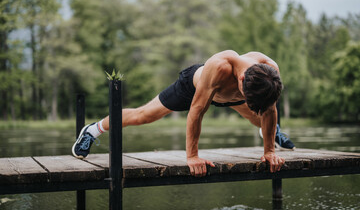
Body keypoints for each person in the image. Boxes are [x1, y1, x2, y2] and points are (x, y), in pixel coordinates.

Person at [72, 50, 295, 177]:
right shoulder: (220, 68)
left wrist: (268, 152)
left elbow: (270, 110)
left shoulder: (269, 70)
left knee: (260, 116)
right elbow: (196, 114)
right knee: (145, 115)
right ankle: (93, 130)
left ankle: (269, 135)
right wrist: (192, 157)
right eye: (246, 96)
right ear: (241, 81)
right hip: (194, 88)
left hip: (229, 94)